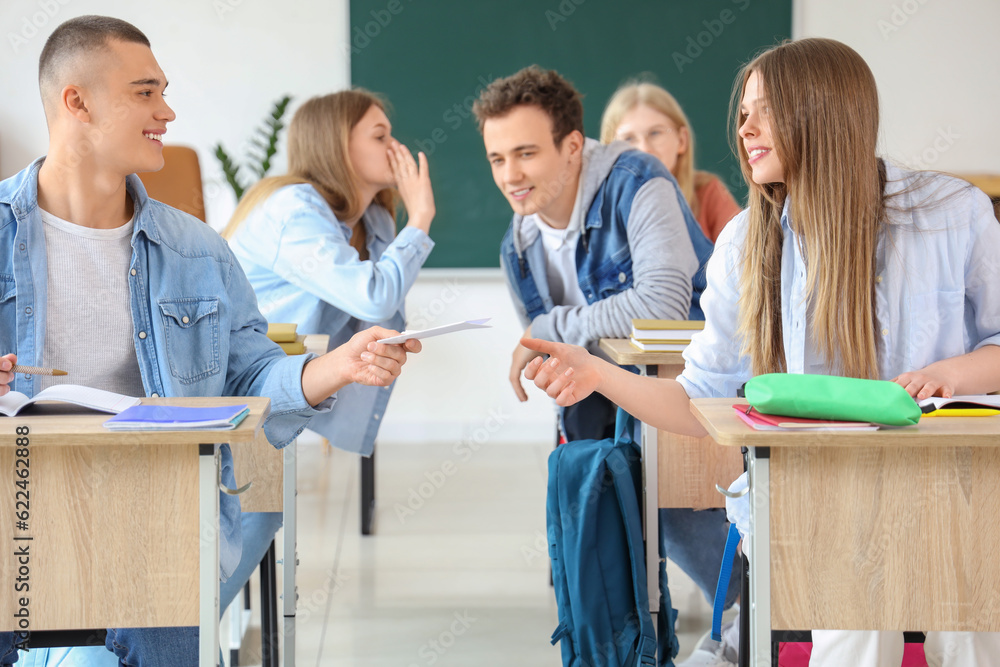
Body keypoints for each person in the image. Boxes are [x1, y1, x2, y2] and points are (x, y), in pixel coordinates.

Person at [522, 38, 1000, 667]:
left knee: (970, 638)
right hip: (828, 501)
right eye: (742, 111)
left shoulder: (950, 212)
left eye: (765, 110)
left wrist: (948, 373)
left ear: (825, 111)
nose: (744, 128)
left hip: (955, 493)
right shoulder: (748, 240)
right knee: (851, 644)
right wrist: (597, 373)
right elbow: (699, 402)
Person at [0, 15, 418, 666]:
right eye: (145, 92)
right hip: (16, 510)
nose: (166, 110)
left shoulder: (196, 248)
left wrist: (331, 367)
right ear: (75, 101)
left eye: (163, 90)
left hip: (154, 517)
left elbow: (251, 377)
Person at [472, 65, 737, 657]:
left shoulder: (636, 179)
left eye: (526, 153)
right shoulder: (517, 244)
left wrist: (551, 326)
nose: (511, 176)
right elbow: (552, 356)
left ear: (572, 145)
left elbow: (664, 307)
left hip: (696, 395)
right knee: (601, 516)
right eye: (496, 159)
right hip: (604, 411)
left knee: (682, 521)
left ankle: (774, 622)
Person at [223, 90, 435, 456]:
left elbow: (385, 314)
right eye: (380, 135)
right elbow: (376, 297)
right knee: (258, 507)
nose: (394, 146)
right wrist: (420, 218)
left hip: (293, 371)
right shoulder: (293, 208)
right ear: (337, 145)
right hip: (246, 376)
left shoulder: (374, 219)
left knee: (271, 507)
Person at [600, 81, 742, 243]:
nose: (644, 149)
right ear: (610, 152)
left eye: (655, 133)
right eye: (629, 138)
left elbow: (744, 260)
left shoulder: (708, 193)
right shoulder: (598, 212)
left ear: (681, 140)